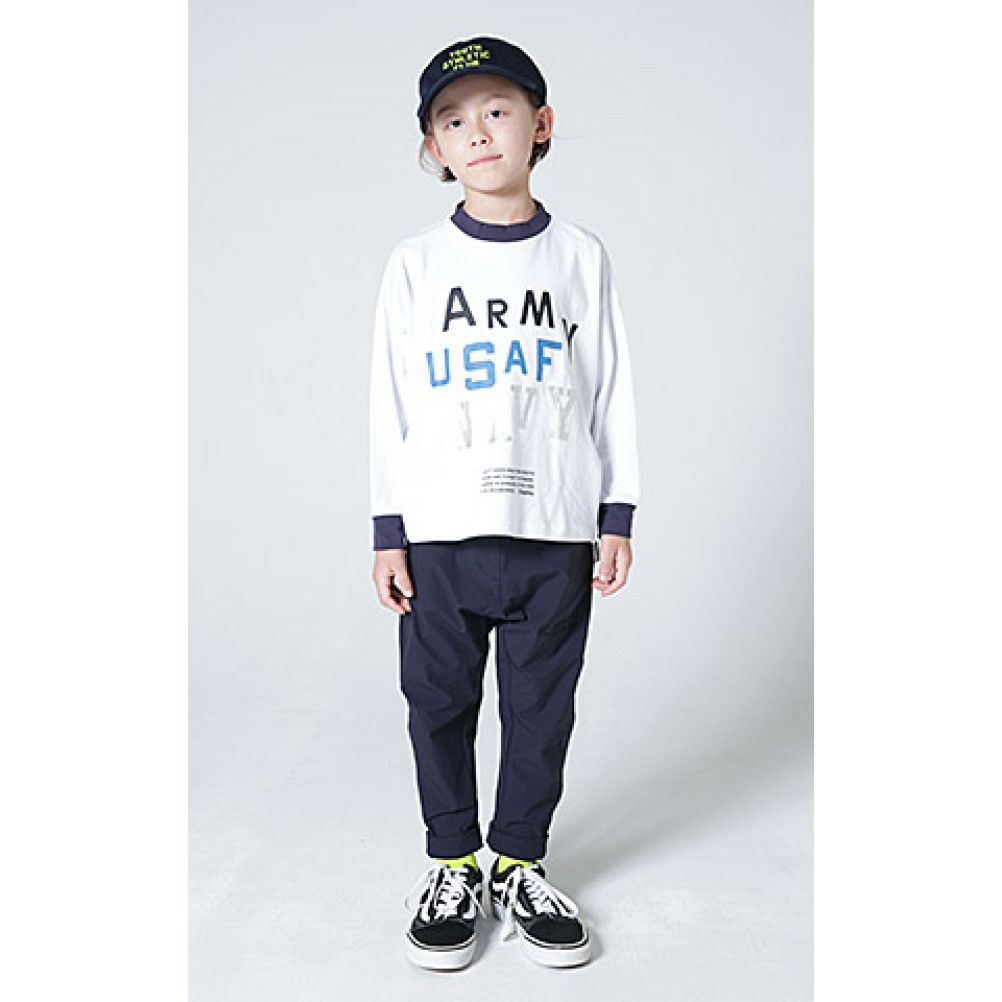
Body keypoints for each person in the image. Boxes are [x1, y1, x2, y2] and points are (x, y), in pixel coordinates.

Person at [368, 35, 641, 971]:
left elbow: (609, 387)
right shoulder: (415, 264)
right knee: (437, 701)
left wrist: (616, 511)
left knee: (541, 708)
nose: (478, 132)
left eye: (497, 111)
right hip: (441, 533)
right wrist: (389, 529)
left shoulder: (580, 257)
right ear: (434, 148)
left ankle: (520, 862)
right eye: (454, 120)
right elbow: (391, 401)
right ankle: (453, 862)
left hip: (552, 530)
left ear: (541, 124)